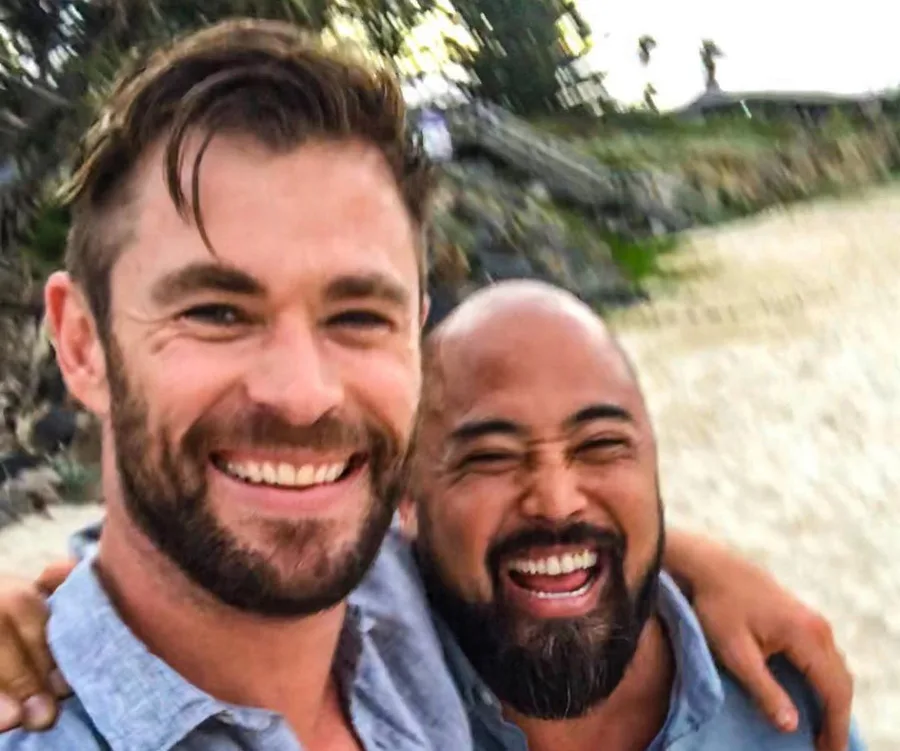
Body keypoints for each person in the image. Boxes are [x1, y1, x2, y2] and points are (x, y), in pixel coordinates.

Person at [0, 18, 853, 751]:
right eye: (218, 312)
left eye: (358, 316)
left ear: (414, 334)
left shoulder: (397, 606)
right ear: (82, 344)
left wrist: (686, 558)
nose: (303, 394)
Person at [404, 280, 865, 751]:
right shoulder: (359, 688)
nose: (557, 503)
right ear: (404, 496)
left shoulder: (783, 700)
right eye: (492, 457)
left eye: (601, 445)